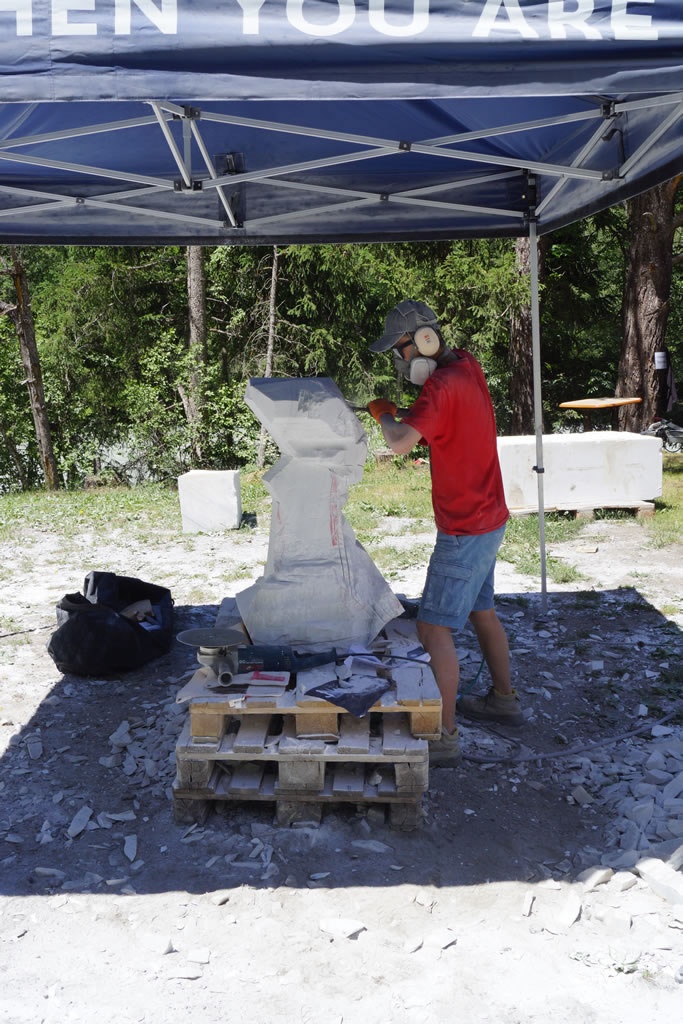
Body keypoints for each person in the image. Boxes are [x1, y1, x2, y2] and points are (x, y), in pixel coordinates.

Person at [366, 300, 522, 764]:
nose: (400, 360)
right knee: (481, 611)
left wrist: (384, 415)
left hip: (464, 525)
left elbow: (399, 444)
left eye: (401, 349)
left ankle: (444, 736)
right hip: (489, 516)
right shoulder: (466, 365)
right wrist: (404, 410)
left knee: (433, 628)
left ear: (426, 341)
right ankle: (503, 700)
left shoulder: (441, 384)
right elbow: (444, 417)